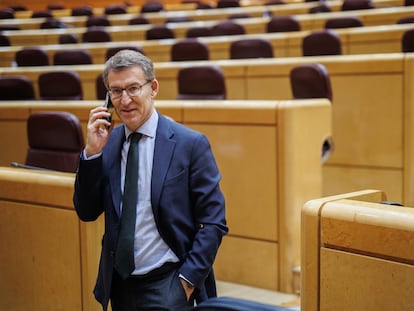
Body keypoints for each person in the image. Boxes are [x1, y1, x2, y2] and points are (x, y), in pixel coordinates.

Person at [73, 50, 228, 311]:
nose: (125, 100)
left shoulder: (190, 144)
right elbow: (86, 211)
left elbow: (214, 221)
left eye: (133, 88)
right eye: (116, 91)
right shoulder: (107, 145)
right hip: (120, 284)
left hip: (169, 282)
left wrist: (186, 281)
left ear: (153, 88)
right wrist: (91, 154)